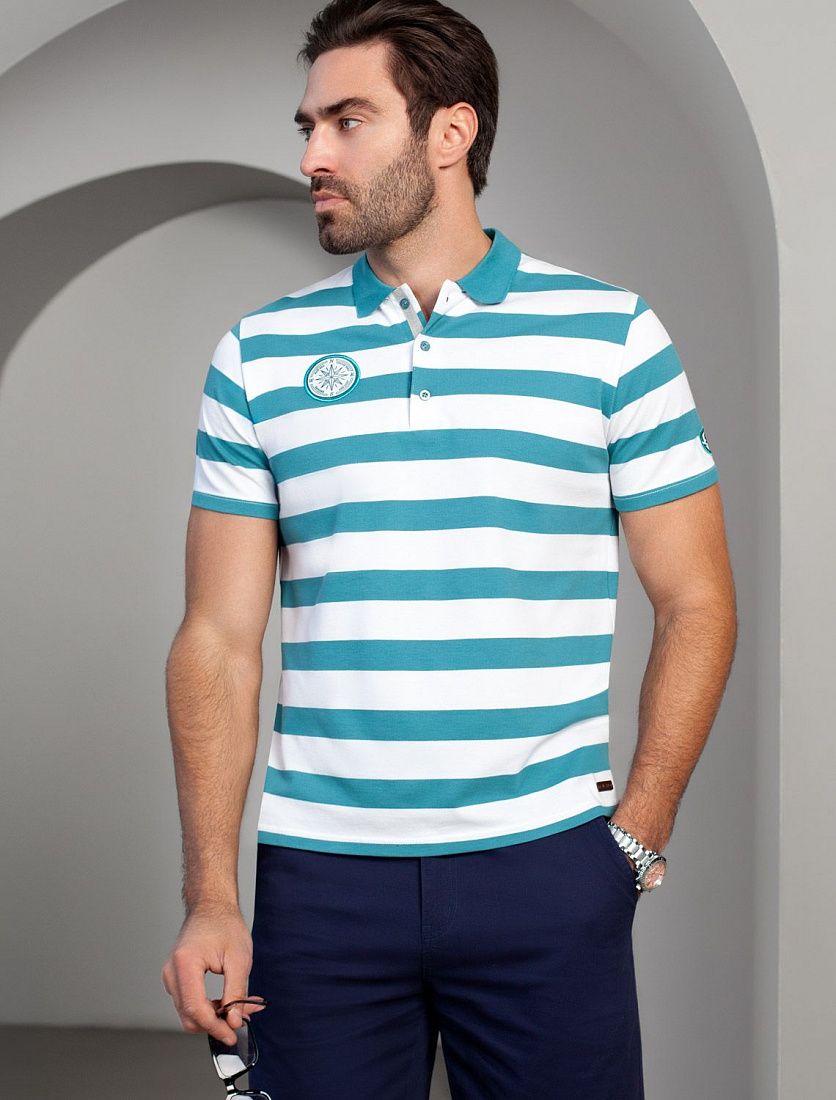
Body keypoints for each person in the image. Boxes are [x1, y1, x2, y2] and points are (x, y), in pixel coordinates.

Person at [161, 1, 738, 1096]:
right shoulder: (257, 354)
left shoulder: (613, 335)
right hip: (321, 885)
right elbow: (217, 639)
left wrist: (634, 837)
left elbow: (697, 602)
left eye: (347, 121)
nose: (312, 155)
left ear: (449, 132)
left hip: (547, 868)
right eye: (308, 125)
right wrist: (211, 895)